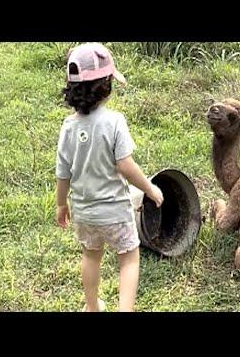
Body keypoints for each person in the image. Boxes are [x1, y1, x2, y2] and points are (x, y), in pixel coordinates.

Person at [55, 43, 164, 312]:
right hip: (114, 210)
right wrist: (150, 189)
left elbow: (63, 172)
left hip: (84, 212)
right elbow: (125, 165)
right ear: (106, 86)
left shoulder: (69, 127)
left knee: (91, 257)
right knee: (128, 258)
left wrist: (61, 204)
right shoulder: (114, 121)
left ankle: (92, 308)